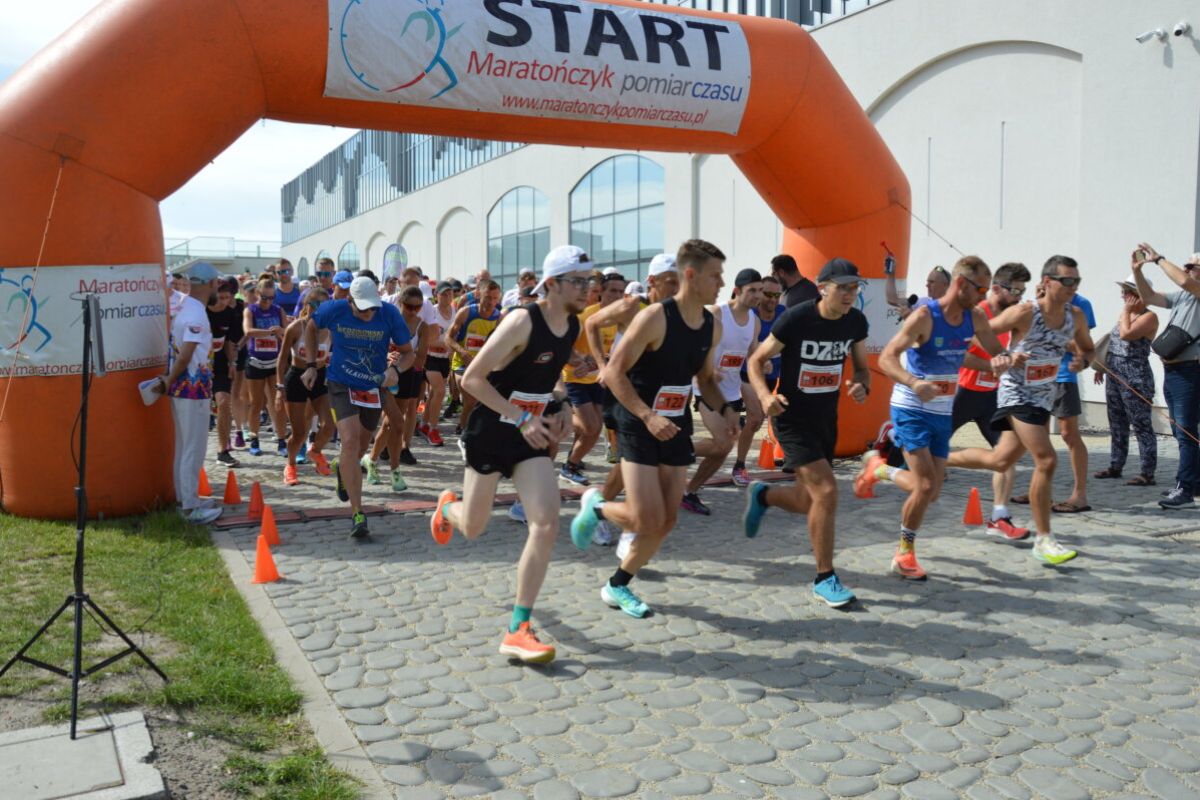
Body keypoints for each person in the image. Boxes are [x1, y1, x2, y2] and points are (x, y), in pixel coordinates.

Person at [430, 246, 587, 663]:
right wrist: (519, 416)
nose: (586, 289)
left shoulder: (570, 325)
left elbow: (552, 379)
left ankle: (519, 627)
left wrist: (563, 405)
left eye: (588, 281)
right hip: (491, 431)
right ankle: (446, 509)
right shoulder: (521, 321)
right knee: (473, 527)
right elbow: (472, 379)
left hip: (528, 436)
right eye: (578, 281)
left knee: (547, 522)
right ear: (552, 284)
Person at [570, 240, 736, 618]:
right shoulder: (655, 317)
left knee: (667, 520)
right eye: (715, 275)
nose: (721, 283)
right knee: (646, 517)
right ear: (690, 275)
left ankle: (617, 585)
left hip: (674, 422)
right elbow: (614, 373)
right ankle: (597, 506)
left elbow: (705, 379)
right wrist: (647, 416)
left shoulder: (711, 325)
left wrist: (726, 409)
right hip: (637, 419)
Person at [857, 256, 1010, 579]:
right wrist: (914, 382)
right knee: (925, 485)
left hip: (942, 410)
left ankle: (879, 469)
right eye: (980, 289)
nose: (983, 296)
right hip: (911, 407)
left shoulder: (975, 317)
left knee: (932, 490)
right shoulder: (925, 317)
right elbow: (887, 359)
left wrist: (1005, 360)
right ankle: (904, 553)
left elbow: (997, 351)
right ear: (961, 283)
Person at [945, 255, 1094, 563]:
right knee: (1047, 459)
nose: (1073, 286)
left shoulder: (1076, 316)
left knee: (1000, 460)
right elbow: (978, 333)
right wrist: (1001, 357)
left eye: (1077, 281)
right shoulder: (1026, 312)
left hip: (1044, 397)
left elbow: (1088, 348)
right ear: (1047, 282)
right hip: (1015, 394)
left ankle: (938, 458)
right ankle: (1044, 539)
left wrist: (1083, 360)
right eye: (1067, 280)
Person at [743, 258, 870, 607]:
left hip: (825, 419)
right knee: (827, 492)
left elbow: (862, 369)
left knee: (807, 500)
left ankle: (764, 496)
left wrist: (862, 386)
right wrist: (765, 396)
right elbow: (756, 361)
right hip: (791, 418)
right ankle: (824, 578)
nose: (850, 294)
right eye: (843, 287)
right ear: (823, 288)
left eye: (854, 287)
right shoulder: (797, 318)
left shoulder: (855, 321)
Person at [302, 276, 414, 539]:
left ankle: (344, 470)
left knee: (360, 448)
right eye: (362, 309)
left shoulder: (389, 314)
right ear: (349, 301)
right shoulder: (333, 309)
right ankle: (358, 513)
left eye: (372, 308)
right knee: (350, 441)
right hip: (341, 383)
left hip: (374, 387)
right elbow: (310, 326)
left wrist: (395, 370)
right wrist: (311, 365)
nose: (368, 314)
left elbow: (408, 353)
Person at [582, 254, 681, 551]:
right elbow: (592, 324)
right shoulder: (632, 306)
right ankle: (615, 517)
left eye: (680, 281)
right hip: (626, 391)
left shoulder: (675, 311)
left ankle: (610, 510)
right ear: (652, 281)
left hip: (657, 393)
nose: (677, 288)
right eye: (670, 282)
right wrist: (603, 366)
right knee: (631, 459)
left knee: (646, 461)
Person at [949, 263, 1032, 540]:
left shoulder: (1013, 317)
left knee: (1005, 457)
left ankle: (999, 517)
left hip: (993, 397)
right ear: (997, 288)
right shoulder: (977, 314)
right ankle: (885, 466)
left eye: (1022, 291)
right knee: (924, 452)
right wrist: (992, 365)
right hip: (963, 392)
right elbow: (958, 354)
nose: (1019, 296)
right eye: (1015, 290)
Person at [681, 268, 763, 514]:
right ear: (737, 291)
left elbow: (752, 354)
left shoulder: (755, 321)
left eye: (760, 290)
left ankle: (689, 491)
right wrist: (707, 367)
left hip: (732, 392)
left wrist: (763, 362)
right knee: (722, 442)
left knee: (724, 448)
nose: (757, 296)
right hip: (706, 387)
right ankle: (672, 452)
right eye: (752, 290)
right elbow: (692, 344)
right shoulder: (717, 313)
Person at [1012, 289, 1096, 513]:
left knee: (1069, 434)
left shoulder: (1080, 305)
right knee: (1037, 436)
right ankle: (1041, 490)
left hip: (1064, 375)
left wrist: (1056, 336)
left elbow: (1085, 347)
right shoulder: (1036, 305)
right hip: (1037, 375)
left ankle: (1080, 495)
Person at [1132, 246, 1200, 508]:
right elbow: (1148, 297)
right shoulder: (1184, 296)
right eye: (1186, 266)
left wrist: (1158, 259)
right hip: (1174, 371)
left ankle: (1185, 490)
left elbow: (1184, 281)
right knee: (1179, 430)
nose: (1186, 270)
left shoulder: (1194, 290)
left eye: (1191, 266)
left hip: (1190, 371)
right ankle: (1193, 482)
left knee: (1185, 431)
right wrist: (1137, 271)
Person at [158, 262, 222, 524]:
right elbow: (186, 355)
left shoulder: (186, 307)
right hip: (191, 389)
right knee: (193, 448)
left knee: (184, 446)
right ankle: (190, 508)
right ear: (211, 284)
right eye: (217, 284)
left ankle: (185, 499)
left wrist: (170, 380)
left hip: (184, 387)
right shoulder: (196, 313)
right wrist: (170, 379)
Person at [1094, 273, 1159, 486]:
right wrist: (1102, 367)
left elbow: (1126, 334)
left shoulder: (1148, 317)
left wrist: (1126, 311)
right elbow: (1114, 342)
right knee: (1117, 422)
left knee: (1141, 424)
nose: (1124, 296)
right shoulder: (1127, 314)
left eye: (1128, 292)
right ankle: (1116, 465)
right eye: (1124, 292)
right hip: (1114, 375)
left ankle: (1147, 472)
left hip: (1135, 378)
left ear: (1140, 295)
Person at [561, 270, 621, 486]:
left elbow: (612, 353)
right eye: (612, 291)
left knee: (594, 428)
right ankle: (568, 465)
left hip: (597, 380)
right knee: (591, 427)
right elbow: (563, 347)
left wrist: (596, 363)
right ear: (602, 292)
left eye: (621, 292)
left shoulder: (619, 318)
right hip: (574, 379)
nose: (617, 296)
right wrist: (579, 362)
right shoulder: (584, 316)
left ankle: (572, 461)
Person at [366, 287, 430, 489]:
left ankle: (372, 460)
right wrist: (388, 356)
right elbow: (374, 348)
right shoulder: (389, 321)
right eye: (409, 306)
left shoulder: (422, 326)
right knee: (395, 423)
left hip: (409, 375)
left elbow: (421, 358)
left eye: (418, 307)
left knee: (391, 423)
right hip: (387, 374)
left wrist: (404, 358)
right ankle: (390, 468)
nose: (413, 311)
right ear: (400, 303)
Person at [276, 287, 335, 485]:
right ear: (306, 305)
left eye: (323, 306)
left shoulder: (330, 329)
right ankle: (290, 465)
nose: (318, 309)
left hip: (320, 377)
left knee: (329, 425)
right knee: (299, 432)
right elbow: (282, 359)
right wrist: (279, 388)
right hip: (297, 378)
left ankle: (315, 451)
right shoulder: (295, 328)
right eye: (315, 304)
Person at [733, 275, 784, 484]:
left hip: (772, 376)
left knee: (758, 422)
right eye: (768, 294)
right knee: (754, 418)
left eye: (777, 295)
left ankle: (793, 459)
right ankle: (739, 467)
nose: (773, 299)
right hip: (747, 374)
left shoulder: (784, 315)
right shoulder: (750, 316)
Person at [446, 280, 502, 434]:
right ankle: (466, 430)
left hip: (483, 366)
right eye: (488, 297)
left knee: (480, 402)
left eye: (495, 298)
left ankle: (464, 426)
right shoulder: (466, 313)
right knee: (471, 399)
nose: (491, 302)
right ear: (479, 295)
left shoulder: (499, 318)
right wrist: (463, 352)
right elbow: (448, 338)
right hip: (462, 364)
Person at [242, 276, 290, 456]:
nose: (268, 302)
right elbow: (248, 331)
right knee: (256, 403)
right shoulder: (250, 310)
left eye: (271, 298)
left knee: (278, 403)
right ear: (257, 294)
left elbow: (287, 331)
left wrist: (280, 331)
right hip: (256, 362)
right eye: (264, 298)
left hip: (274, 363)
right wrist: (270, 332)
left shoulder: (278, 310)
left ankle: (282, 441)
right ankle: (254, 440)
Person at [206, 278, 242, 467]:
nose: (224, 302)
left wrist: (232, 363)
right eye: (221, 298)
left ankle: (223, 450)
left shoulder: (230, 314)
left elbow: (229, 341)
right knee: (200, 409)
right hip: (198, 364)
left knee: (224, 402)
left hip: (220, 363)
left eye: (228, 298)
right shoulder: (202, 311)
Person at [418, 281, 455, 446]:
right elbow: (424, 338)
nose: (447, 296)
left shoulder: (455, 312)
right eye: (443, 294)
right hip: (429, 356)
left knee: (434, 393)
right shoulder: (431, 311)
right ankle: (433, 429)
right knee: (440, 391)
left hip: (445, 359)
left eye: (449, 293)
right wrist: (444, 344)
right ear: (436, 295)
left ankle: (423, 424)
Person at [886, 265, 952, 318]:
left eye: (932, 282)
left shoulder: (953, 307)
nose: (927, 285)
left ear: (945, 285)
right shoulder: (922, 302)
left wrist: (912, 318)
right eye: (927, 282)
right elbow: (892, 300)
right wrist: (891, 274)